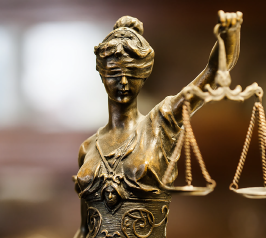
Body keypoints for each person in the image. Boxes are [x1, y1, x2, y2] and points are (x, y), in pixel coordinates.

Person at [73, 11, 243, 238]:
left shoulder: (160, 124)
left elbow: (213, 73)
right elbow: (84, 229)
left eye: (132, 73)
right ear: (102, 74)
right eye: (115, 73)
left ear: (144, 75)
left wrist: (229, 36)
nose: (123, 82)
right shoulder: (88, 148)